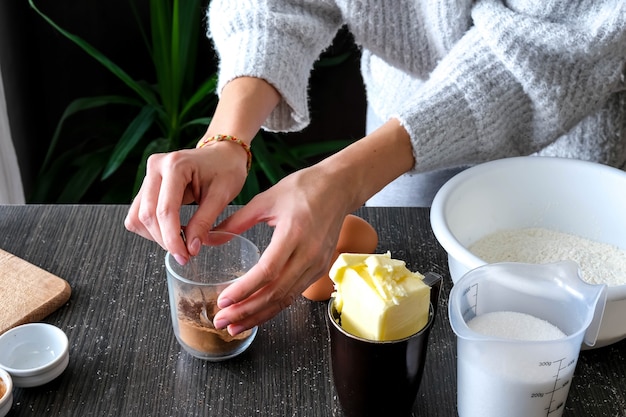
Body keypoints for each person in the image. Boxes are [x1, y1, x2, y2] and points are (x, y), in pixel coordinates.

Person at [125, 0, 626, 337]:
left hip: (563, 138)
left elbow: (552, 46)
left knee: (557, 336)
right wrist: (226, 141)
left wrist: (342, 178)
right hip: (400, 115)